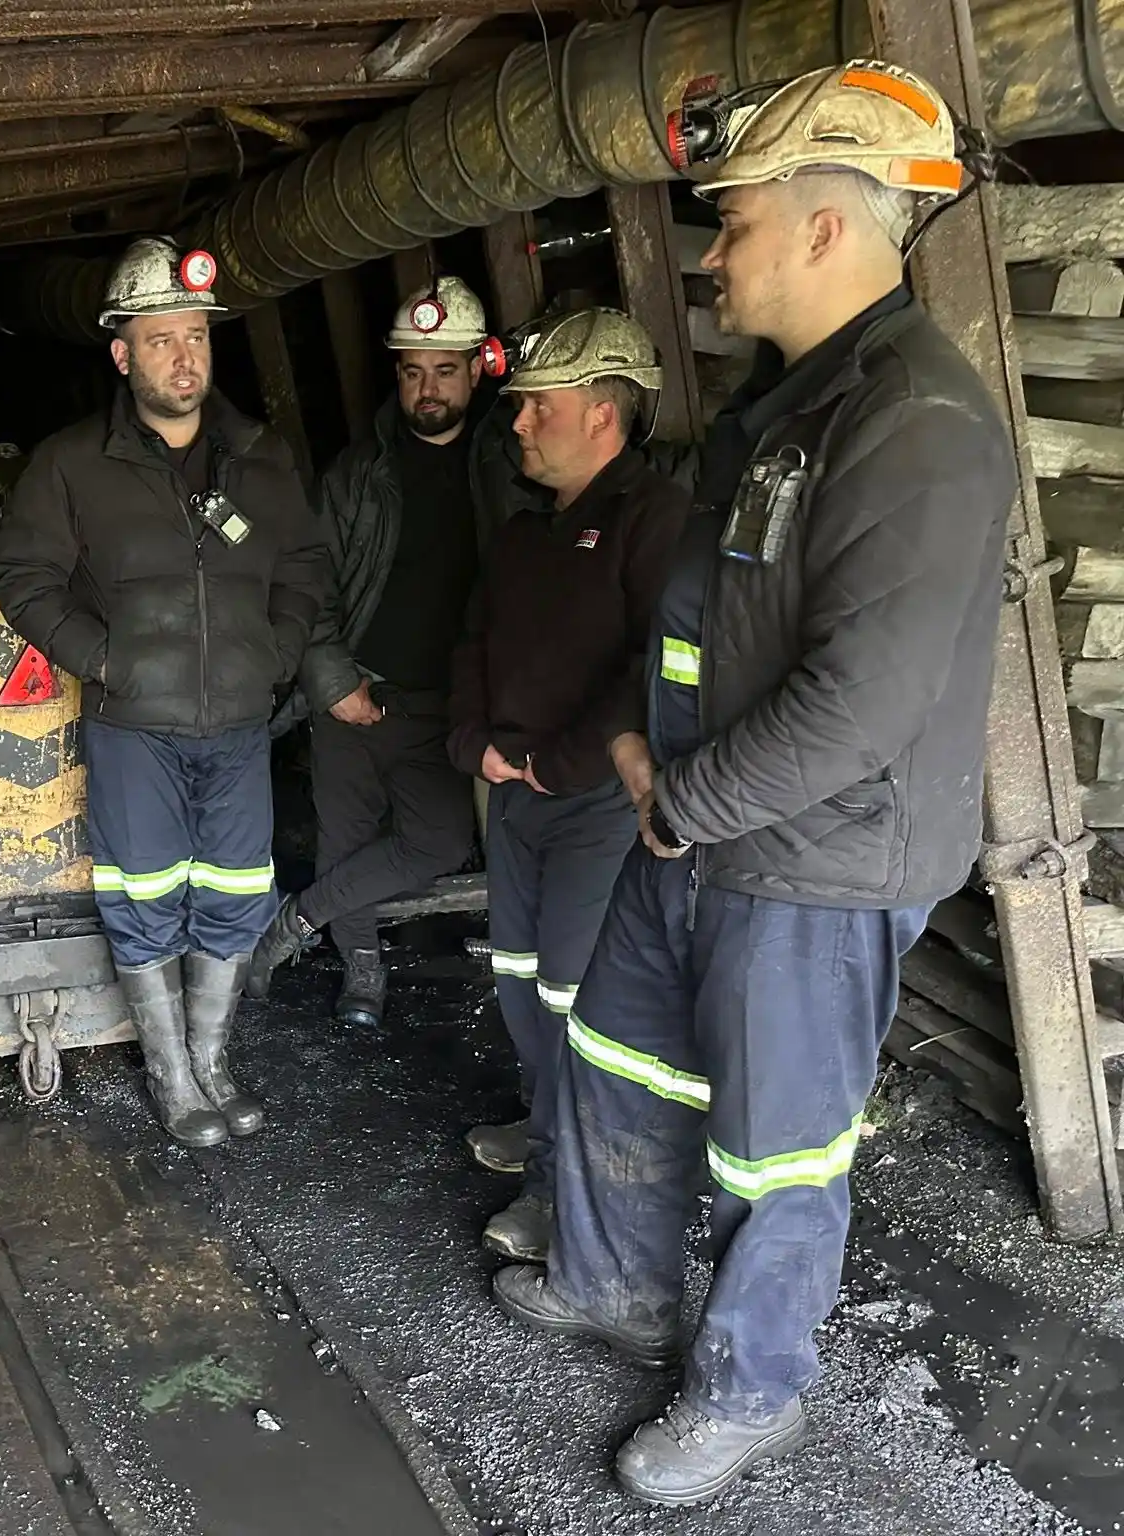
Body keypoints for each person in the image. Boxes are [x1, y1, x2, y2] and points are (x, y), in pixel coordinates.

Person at [492, 61, 1013, 1505]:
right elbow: (704, 624)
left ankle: (751, 1389)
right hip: (700, 827)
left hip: (811, 862)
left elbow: (862, 703)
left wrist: (678, 800)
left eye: (732, 224)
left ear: (825, 229)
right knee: (618, 1055)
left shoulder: (915, 423)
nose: (712, 256)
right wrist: (648, 753)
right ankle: (610, 1284)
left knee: (776, 1147)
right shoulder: (780, 409)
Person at [0, 237, 329, 1146]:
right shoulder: (72, 464)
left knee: (237, 893)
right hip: (134, 725)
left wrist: (277, 651)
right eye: (162, 339)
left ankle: (214, 1062)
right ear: (122, 354)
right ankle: (172, 1076)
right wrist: (105, 660)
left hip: (239, 725)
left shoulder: (258, 457)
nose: (185, 358)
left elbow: (304, 565)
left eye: (197, 337)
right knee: (142, 901)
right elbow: (22, 575)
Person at [445, 308, 690, 1265]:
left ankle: (563, 1192)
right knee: (520, 980)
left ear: (600, 413)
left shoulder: (654, 521)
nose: (517, 423)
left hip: (596, 803)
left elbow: (655, 668)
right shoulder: (523, 534)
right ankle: (548, 1124)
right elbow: (473, 642)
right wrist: (475, 743)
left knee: (578, 998)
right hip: (514, 793)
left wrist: (562, 762)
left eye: (536, 405)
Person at [247, 276, 517, 1027]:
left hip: (447, 704)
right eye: (412, 371)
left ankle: (295, 922)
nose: (427, 389)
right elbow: (308, 584)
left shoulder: (506, 466)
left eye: (444, 370)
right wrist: (333, 681)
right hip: (358, 690)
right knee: (345, 838)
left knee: (439, 840)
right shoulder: (357, 474)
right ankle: (362, 971)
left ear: (476, 370)